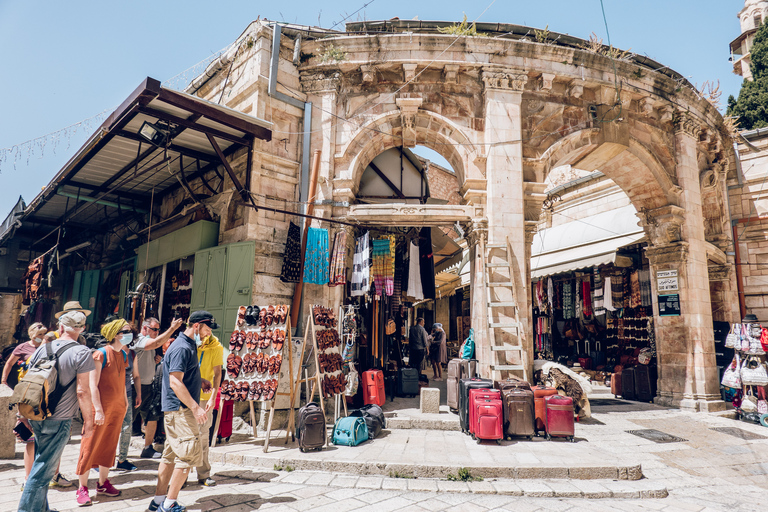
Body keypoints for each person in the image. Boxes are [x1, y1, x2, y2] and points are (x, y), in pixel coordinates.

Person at [17, 311, 95, 512]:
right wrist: (89, 421)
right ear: (82, 328)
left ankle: (42, 508)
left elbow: (28, 380)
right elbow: (83, 391)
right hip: (60, 419)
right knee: (43, 470)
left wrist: (22, 415)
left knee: (42, 461)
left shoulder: (44, 347)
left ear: (61, 328)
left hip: (37, 414)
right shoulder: (82, 352)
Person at [148, 311, 218, 512]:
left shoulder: (187, 345)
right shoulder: (181, 348)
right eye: (207, 329)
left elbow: (181, 375)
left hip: (176, 410)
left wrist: (199, 380)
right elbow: (174, 381)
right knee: (187, 457)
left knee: (170, 456)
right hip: (181, 410)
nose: (208, 334)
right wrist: (196, 408)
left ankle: (158, 501)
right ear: (196, 326)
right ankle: (169, 504)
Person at [3, 323, 74, 490]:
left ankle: (54, 475)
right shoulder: (27, 351)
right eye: (40, 336)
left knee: (56, 443)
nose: (42, 339)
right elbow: (12, 366)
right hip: (33, 400)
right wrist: (4, 380)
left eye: (45, 336)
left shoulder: (56, 354)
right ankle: (28, 479)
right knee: (31, 440)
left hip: (52, 402)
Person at [73, 318, 131, 506]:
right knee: (90, 445)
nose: (130, 334)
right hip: (101, 407)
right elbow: (93, 384)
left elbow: (122, 381)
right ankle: (82, 487)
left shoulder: (123, 354)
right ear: (115, 333)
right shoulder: (100, 354)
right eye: (126, 330)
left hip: (117, 408)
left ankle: (103, 483)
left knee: (109, 445)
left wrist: (125, 402)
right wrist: (97, 409)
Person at [134, 317, 183, 458]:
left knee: (152, 416)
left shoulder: (150, 344)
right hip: (137, 386)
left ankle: (148, 448)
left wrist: (157, 360)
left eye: (157, 330)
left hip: (150, 384)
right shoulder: (139, 340)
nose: (156, 332)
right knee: (127, 420)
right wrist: (172, 328)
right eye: (154, 329)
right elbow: (155, 343)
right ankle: (114, 452)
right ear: (145, 328)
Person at [193, 333, 223, 487]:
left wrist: (213, 397)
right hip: (188, 396)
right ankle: (182, 474)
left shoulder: (216, 347)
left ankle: (203, 474)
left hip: (205, 398)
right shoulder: (189, 344)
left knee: (204, 435)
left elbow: (218, 373)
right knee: (187, 435)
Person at [116, 321, 141, 472]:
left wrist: (138, 393)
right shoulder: (108, 351)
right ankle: (101, 459)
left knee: (126, 427)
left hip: (127, 394)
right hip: (111, 395)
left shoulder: (132, 354)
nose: (126, 335)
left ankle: (122, 459)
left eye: (128, 332)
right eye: (123, 332)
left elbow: (136, 375)